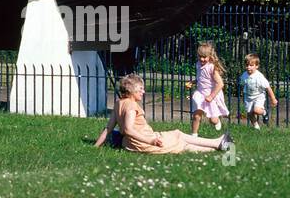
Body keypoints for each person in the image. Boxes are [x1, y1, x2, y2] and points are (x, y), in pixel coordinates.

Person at [95, 73, 231, 154]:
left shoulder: (119, 103)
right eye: (141, 89)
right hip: (144, 142)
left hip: (131, 143)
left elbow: (108, 128)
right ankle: (217, 143)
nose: (143, 92)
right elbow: (128, 129)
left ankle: (217, 146)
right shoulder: (131, 106)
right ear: (131, 90)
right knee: (178, 135)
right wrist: (151, 140)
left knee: (182, 144)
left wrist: (95, 146)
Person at [191, 41, 229, 133]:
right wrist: (193, 82)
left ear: (210, 56)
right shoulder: (198, 65)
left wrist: (211, 96)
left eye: (204, 57)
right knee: (196, 116)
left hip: (211, 95)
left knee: (213, 120)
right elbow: (201, 78)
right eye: (200, 57)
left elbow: (220, 84)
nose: (202, 59)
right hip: (200, 94)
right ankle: (194, 135)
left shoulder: (211, 68)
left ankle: (217, 121)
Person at [238, 52, 277, 129]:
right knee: (250, 113)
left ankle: (264, 112)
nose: (248, 67)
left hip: (258, 96)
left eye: (251, 65)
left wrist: (273, 99)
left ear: (257, 66)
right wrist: (243, 94)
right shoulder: (244, 75)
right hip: (248, 97)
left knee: (256, 110)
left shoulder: (259, 77)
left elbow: (267, 87)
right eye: (247, 65)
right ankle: (256, 127)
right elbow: (243, 84)